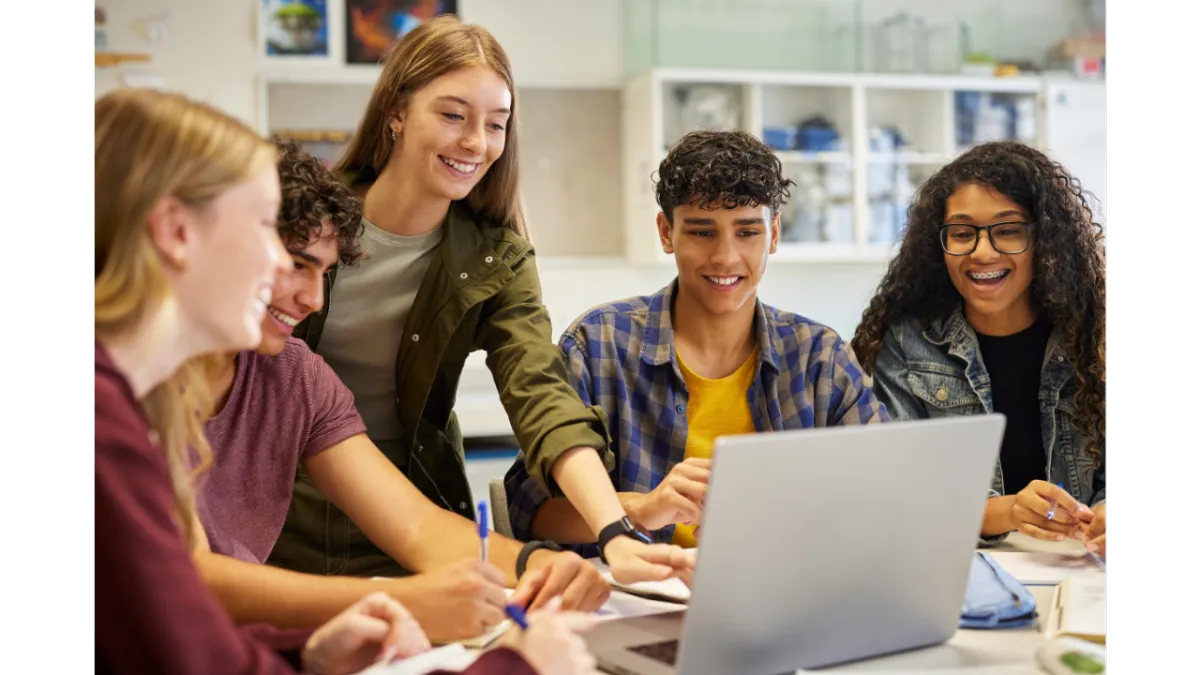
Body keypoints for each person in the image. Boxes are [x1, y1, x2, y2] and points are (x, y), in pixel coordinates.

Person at [91, 87, 598, 675]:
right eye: (266, 235)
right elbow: (187, 597)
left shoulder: (282, 376)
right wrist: (513, 664)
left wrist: (303, 655)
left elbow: (413, 524)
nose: (306, 295)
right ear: (176, 232)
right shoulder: (110, 414)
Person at [269, 14, 692, 585]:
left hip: (417, 524)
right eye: (452, 115)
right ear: (396, 112)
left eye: (496, 124)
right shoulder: (304, 218)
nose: (476, 142)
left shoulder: (498, 258)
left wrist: (613, 529)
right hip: (276, 513)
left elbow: (541, 392)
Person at [195, 139, 608, 643]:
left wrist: (538, 565)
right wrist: (405, 600)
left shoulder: (295, 377)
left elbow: (417, 527)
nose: (312, 299)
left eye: (325, 273)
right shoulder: (131, 378)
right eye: (297, 265)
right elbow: (187, 578)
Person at [503, 130, 890, 552]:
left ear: (774, 233)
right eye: (702, 233)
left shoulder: (820, 358)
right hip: (638, 601)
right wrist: (645, 508)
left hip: (783, 593)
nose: (725, 256)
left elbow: (885, 493)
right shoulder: (598, 346)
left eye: (747, 233)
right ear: (666, 232)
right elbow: (530, 513)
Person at [848, 141, 1107, 556]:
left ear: (1046, 240)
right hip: (967, 570)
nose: (982, 252)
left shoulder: (1099, 328)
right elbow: (904, 493)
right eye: (962, 233)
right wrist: (1006, 511)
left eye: (1007, 230)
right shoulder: (906, 341)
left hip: (1086, 574)